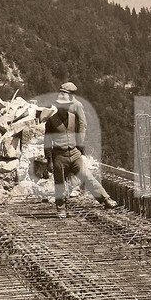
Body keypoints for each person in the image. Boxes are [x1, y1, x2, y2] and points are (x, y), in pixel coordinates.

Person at [38, 81, 118, 219]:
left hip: (74, 153)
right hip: (59, 155)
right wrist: (49, 160)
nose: (66, 108)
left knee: (87, 176)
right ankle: (61, 209)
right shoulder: (51, 121)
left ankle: (105, 199)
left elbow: (82, 128)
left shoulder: (74, 117)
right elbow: (47, 142)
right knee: (60, 184)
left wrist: (80, 148)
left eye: (68, 105)